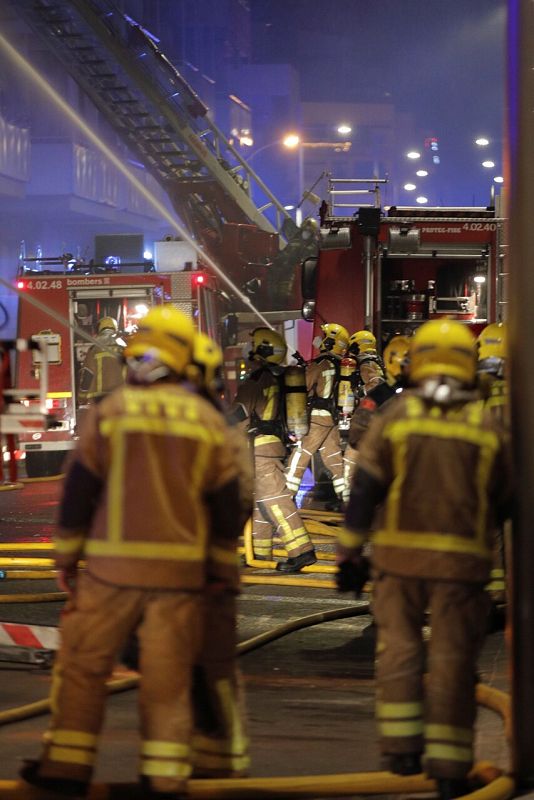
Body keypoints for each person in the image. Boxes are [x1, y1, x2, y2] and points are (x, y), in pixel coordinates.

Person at [20, 306, 248, 800]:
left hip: (110, 572)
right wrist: (218, 569)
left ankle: (66, 767)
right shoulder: (207, 422)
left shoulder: (112, 412)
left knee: (83, 666)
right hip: (179, 577)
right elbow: (226, 508)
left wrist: (66, 557)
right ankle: (164, 777)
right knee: (168, 676)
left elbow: (80, 492)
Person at [337, 319, 511, 800]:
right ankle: (451, 766)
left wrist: (349, 554)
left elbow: (365, 489)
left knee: (399, 651)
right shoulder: (485, 425)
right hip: (462, 569)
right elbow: (507, 502)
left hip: (399, 563)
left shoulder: (398, 416)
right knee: (455, 661)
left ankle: (401, 748)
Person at [231, 327, 316, 572]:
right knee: (260, 503)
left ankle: (302, 551)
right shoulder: (280, 377)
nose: (249, 349)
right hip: (272, 444)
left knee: (275, 500)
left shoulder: (257, 380)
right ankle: (259, 552)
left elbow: (241, 413)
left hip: (259, 448)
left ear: (263, 350)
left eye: (253, 344)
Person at [286, 322, 349, 505]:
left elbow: (303, 386)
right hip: (332, 419)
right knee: (333, 457)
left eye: (323, 337)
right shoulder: (341, 366)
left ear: (329, 343)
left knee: (301, 453)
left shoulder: (320, 363)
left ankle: (286, 496)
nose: (319, 340)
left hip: (317, 418)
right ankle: (347, 497)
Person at [78, 316, 125, 402]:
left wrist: (82, 397)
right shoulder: (124, 349)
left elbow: (87, 374)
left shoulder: (94, 350)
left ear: (100, 329)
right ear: (115, 328)